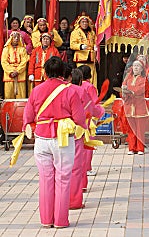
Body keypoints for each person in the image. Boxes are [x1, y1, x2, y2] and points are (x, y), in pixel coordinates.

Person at [22, 56, 87, 228]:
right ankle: (60, 220)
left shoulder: (36, 90)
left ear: (44, 72)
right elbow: (80, 118)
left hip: (42, 138)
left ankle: (46, 220)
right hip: (63, 138)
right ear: (63, 73)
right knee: (63, 178)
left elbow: (27, 116)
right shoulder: (70, 90)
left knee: (45, 179)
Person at [69, 68, 104, 210]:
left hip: (60, 131)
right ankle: (78, 193)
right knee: (81, 159)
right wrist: (100, 112)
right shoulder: (86, 88)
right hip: (82, 126)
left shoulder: (62, 90)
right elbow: (93, 105)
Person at [122, 60, 149, 155]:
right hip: (130, 106)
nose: (136, 67)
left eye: (138, 66)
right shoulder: (128, 79)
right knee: (131, 129)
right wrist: (124, 91)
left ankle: (140, 149)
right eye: (134, 66)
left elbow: (141, 89)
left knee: (140, 129)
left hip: (140, 106)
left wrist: (129, 90)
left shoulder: (144, 79)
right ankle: (131, 148)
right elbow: (123, 88)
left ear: (142, 69)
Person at [70, 16, 97, 88]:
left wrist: (95, 46)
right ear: (79, 23)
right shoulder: (75, 32)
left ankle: (93, 92)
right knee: (81, 76)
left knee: (93, 77)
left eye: (86, 22)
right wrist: (80, 46)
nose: (85, 24)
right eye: (83, 22)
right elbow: (72, 45)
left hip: (91, 57)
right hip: (81, 57)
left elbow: (95, 41)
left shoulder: (91, 32)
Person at [1, 32, 29, 99]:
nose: (16, 39)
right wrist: (11, 71)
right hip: (9, 75)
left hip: (20, 74)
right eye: (14, 37)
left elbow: (24, 61)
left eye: (17, 37)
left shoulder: (23, 49)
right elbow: (4, 62)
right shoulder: (6, 49)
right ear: (11, 38)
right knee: (8, 95)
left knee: (21, 95)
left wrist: (17, 71)